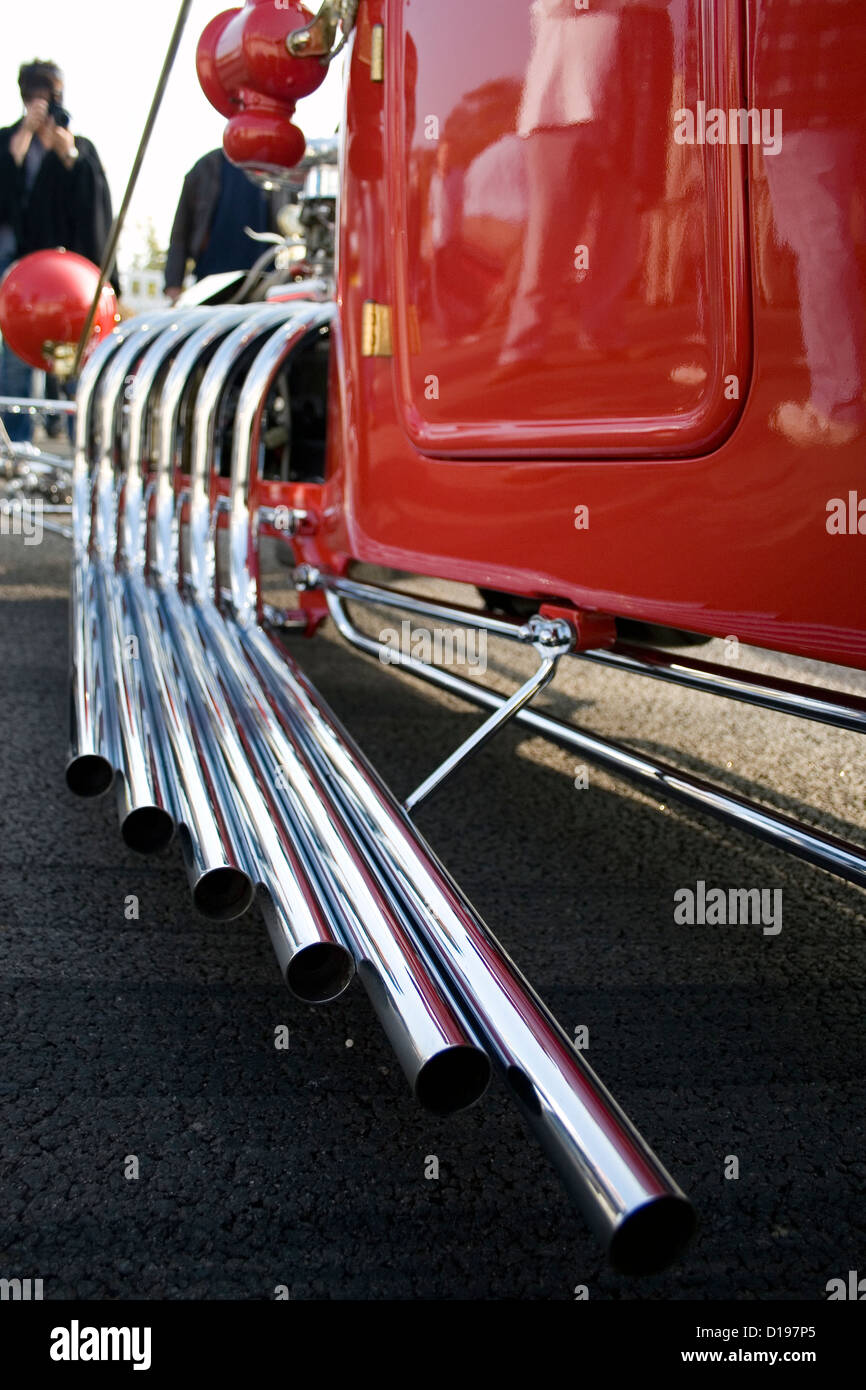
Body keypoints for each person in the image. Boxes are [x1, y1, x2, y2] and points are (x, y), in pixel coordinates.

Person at [0, 59, 117, 442]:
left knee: (76, 360)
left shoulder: (79, 148)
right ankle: (16, 443)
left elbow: (94, 209)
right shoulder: (10, 142)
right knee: (17, 359)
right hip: (22, 276)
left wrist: (68, 157)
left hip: (70, 280)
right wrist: (20, 142)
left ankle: (80, 437)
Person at [164, 148, 291, 301]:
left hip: (265, 284)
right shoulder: (206, 167)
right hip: (211, 285)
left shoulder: (279, 168)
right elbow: (180, 233)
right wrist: (173, 285)